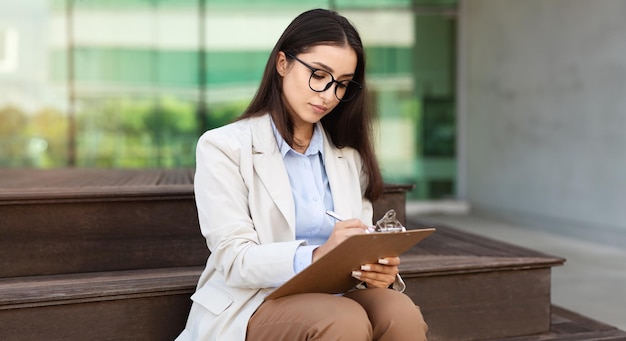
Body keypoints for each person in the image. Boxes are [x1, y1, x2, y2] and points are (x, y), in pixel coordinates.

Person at [176, 8, 428, 341]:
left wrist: (377, 273)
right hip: (255, 301)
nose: (328, 95)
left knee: (399, 310)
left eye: (341, 84)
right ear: (283, 63)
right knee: (340, 317)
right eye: (319, 75)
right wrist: (318, 255)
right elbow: (234, 260)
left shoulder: (348, 157)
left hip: (336, 296)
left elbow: (360, 246)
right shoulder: (224, 147)